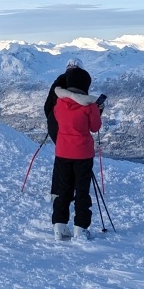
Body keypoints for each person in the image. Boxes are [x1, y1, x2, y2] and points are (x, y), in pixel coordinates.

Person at [49, 66, 102, 241]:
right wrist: (98, 111)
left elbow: (58, 119)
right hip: (83, 154)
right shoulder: (90, 105)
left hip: (62, 151)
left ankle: (59, 227)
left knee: (63, 189)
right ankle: (80, 228)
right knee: (82, 191)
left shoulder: (59, 102)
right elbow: (94, 127)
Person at [43, 58, 84, 144]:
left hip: (54, 123)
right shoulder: (82, 82)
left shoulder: (59, 80)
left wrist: (52, 119)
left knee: (62, 151)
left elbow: (48, 105)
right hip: (74, 126)